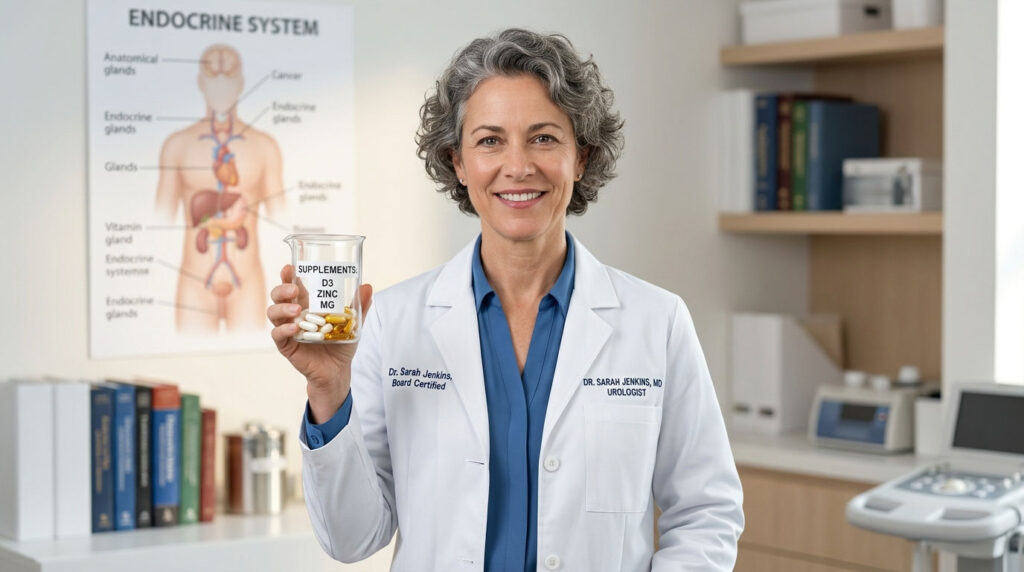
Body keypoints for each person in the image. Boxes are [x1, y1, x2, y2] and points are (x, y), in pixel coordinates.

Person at [268, 28, 743, 571]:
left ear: (581, 157)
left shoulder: (656, 322)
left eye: (543, 138)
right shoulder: (393, 322)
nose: (518, 166)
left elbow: (706, 511)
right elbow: (352, 539)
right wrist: (328, 389)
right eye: (490, 140)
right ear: (459, 163)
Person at [156, 44, 285, 333]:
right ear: (200, 82)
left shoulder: (265, 147)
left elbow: (283, 218)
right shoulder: (177, 145)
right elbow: (160, 215)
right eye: (213, 79)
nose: (221, 88)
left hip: (247, 282)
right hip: (195, 282)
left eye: (229, 79)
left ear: (241, 83)